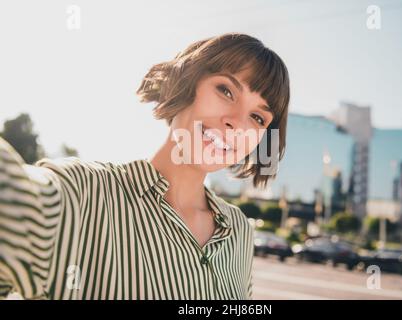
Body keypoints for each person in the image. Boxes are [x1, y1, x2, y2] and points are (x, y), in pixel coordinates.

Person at [0, 32, 290, 299]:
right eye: (226, 91)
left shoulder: (238, 230)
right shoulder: (82, 195)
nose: (237, 124)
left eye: (257, 118)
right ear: (186, 83)